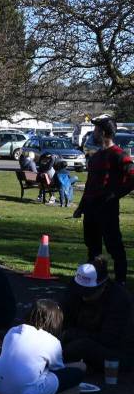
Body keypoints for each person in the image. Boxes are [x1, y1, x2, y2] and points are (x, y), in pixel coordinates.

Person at [73, 115, 134, 284]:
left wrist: (113, 195)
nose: (93, 132)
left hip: (107, 210)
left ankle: (120, 282)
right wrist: (81, 207)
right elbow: (90, 184)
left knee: (114, 247)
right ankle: (96, 280)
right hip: (91, 209)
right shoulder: (96, 156)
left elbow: (131, 177)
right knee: (93, 248)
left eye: (96, 129)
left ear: (103, 132)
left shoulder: (118, 155)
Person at [0, 299, 85, 394]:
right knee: (78, 373)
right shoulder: (52, 341)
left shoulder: (13, 330)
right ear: (55, 321)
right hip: (25, 392)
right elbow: (58, 369)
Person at [61, 259, 131, 374]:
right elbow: (64, 316)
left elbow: (109, 339)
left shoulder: (120, 300)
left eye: (88, 292)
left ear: (103, 285)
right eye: (80, 291)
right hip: (82, 336)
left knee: (81, 346)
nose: (83, 296)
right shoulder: (75, 289)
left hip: (115, 351)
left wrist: (71, 334)